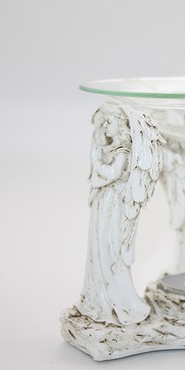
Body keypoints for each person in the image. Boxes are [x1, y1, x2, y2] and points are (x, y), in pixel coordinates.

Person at [76, 102, 152, 325]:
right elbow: (100, 178)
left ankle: (115, 297)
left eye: (108, 122)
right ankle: (98, 296)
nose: (105, 126)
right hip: (103, 202)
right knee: (99, 245)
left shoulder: (123, 151)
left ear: (119, 125)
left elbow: (112, 173)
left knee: (109, 245)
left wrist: (96, 163)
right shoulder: (111, 149)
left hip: (113, 204)